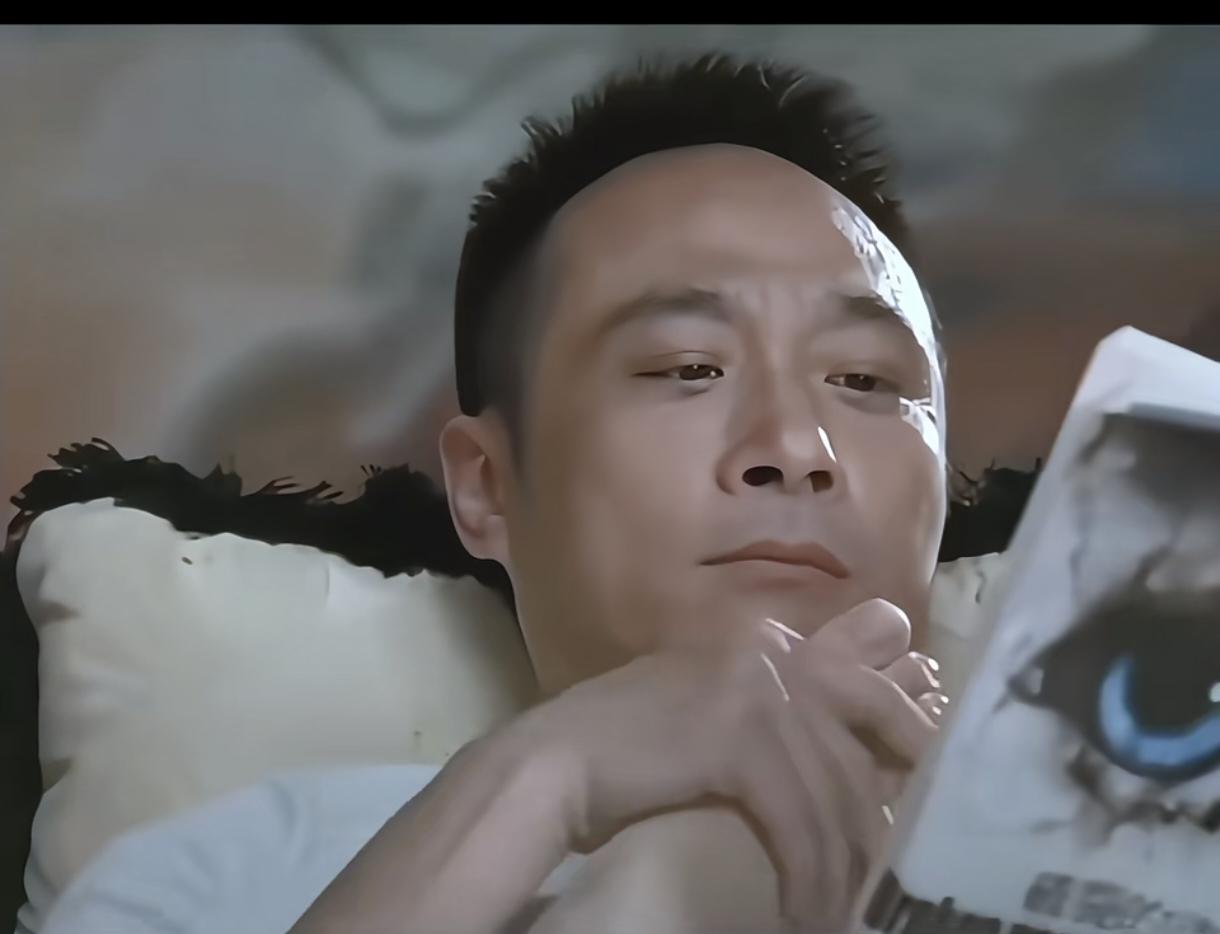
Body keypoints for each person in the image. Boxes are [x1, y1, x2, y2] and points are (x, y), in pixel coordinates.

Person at [39, 52, 950, 934]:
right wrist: (557, 785)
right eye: (688, 366)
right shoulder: (237, 873)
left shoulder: (1038, 849)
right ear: (487, 487)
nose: (795, 448)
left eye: (864, 380)